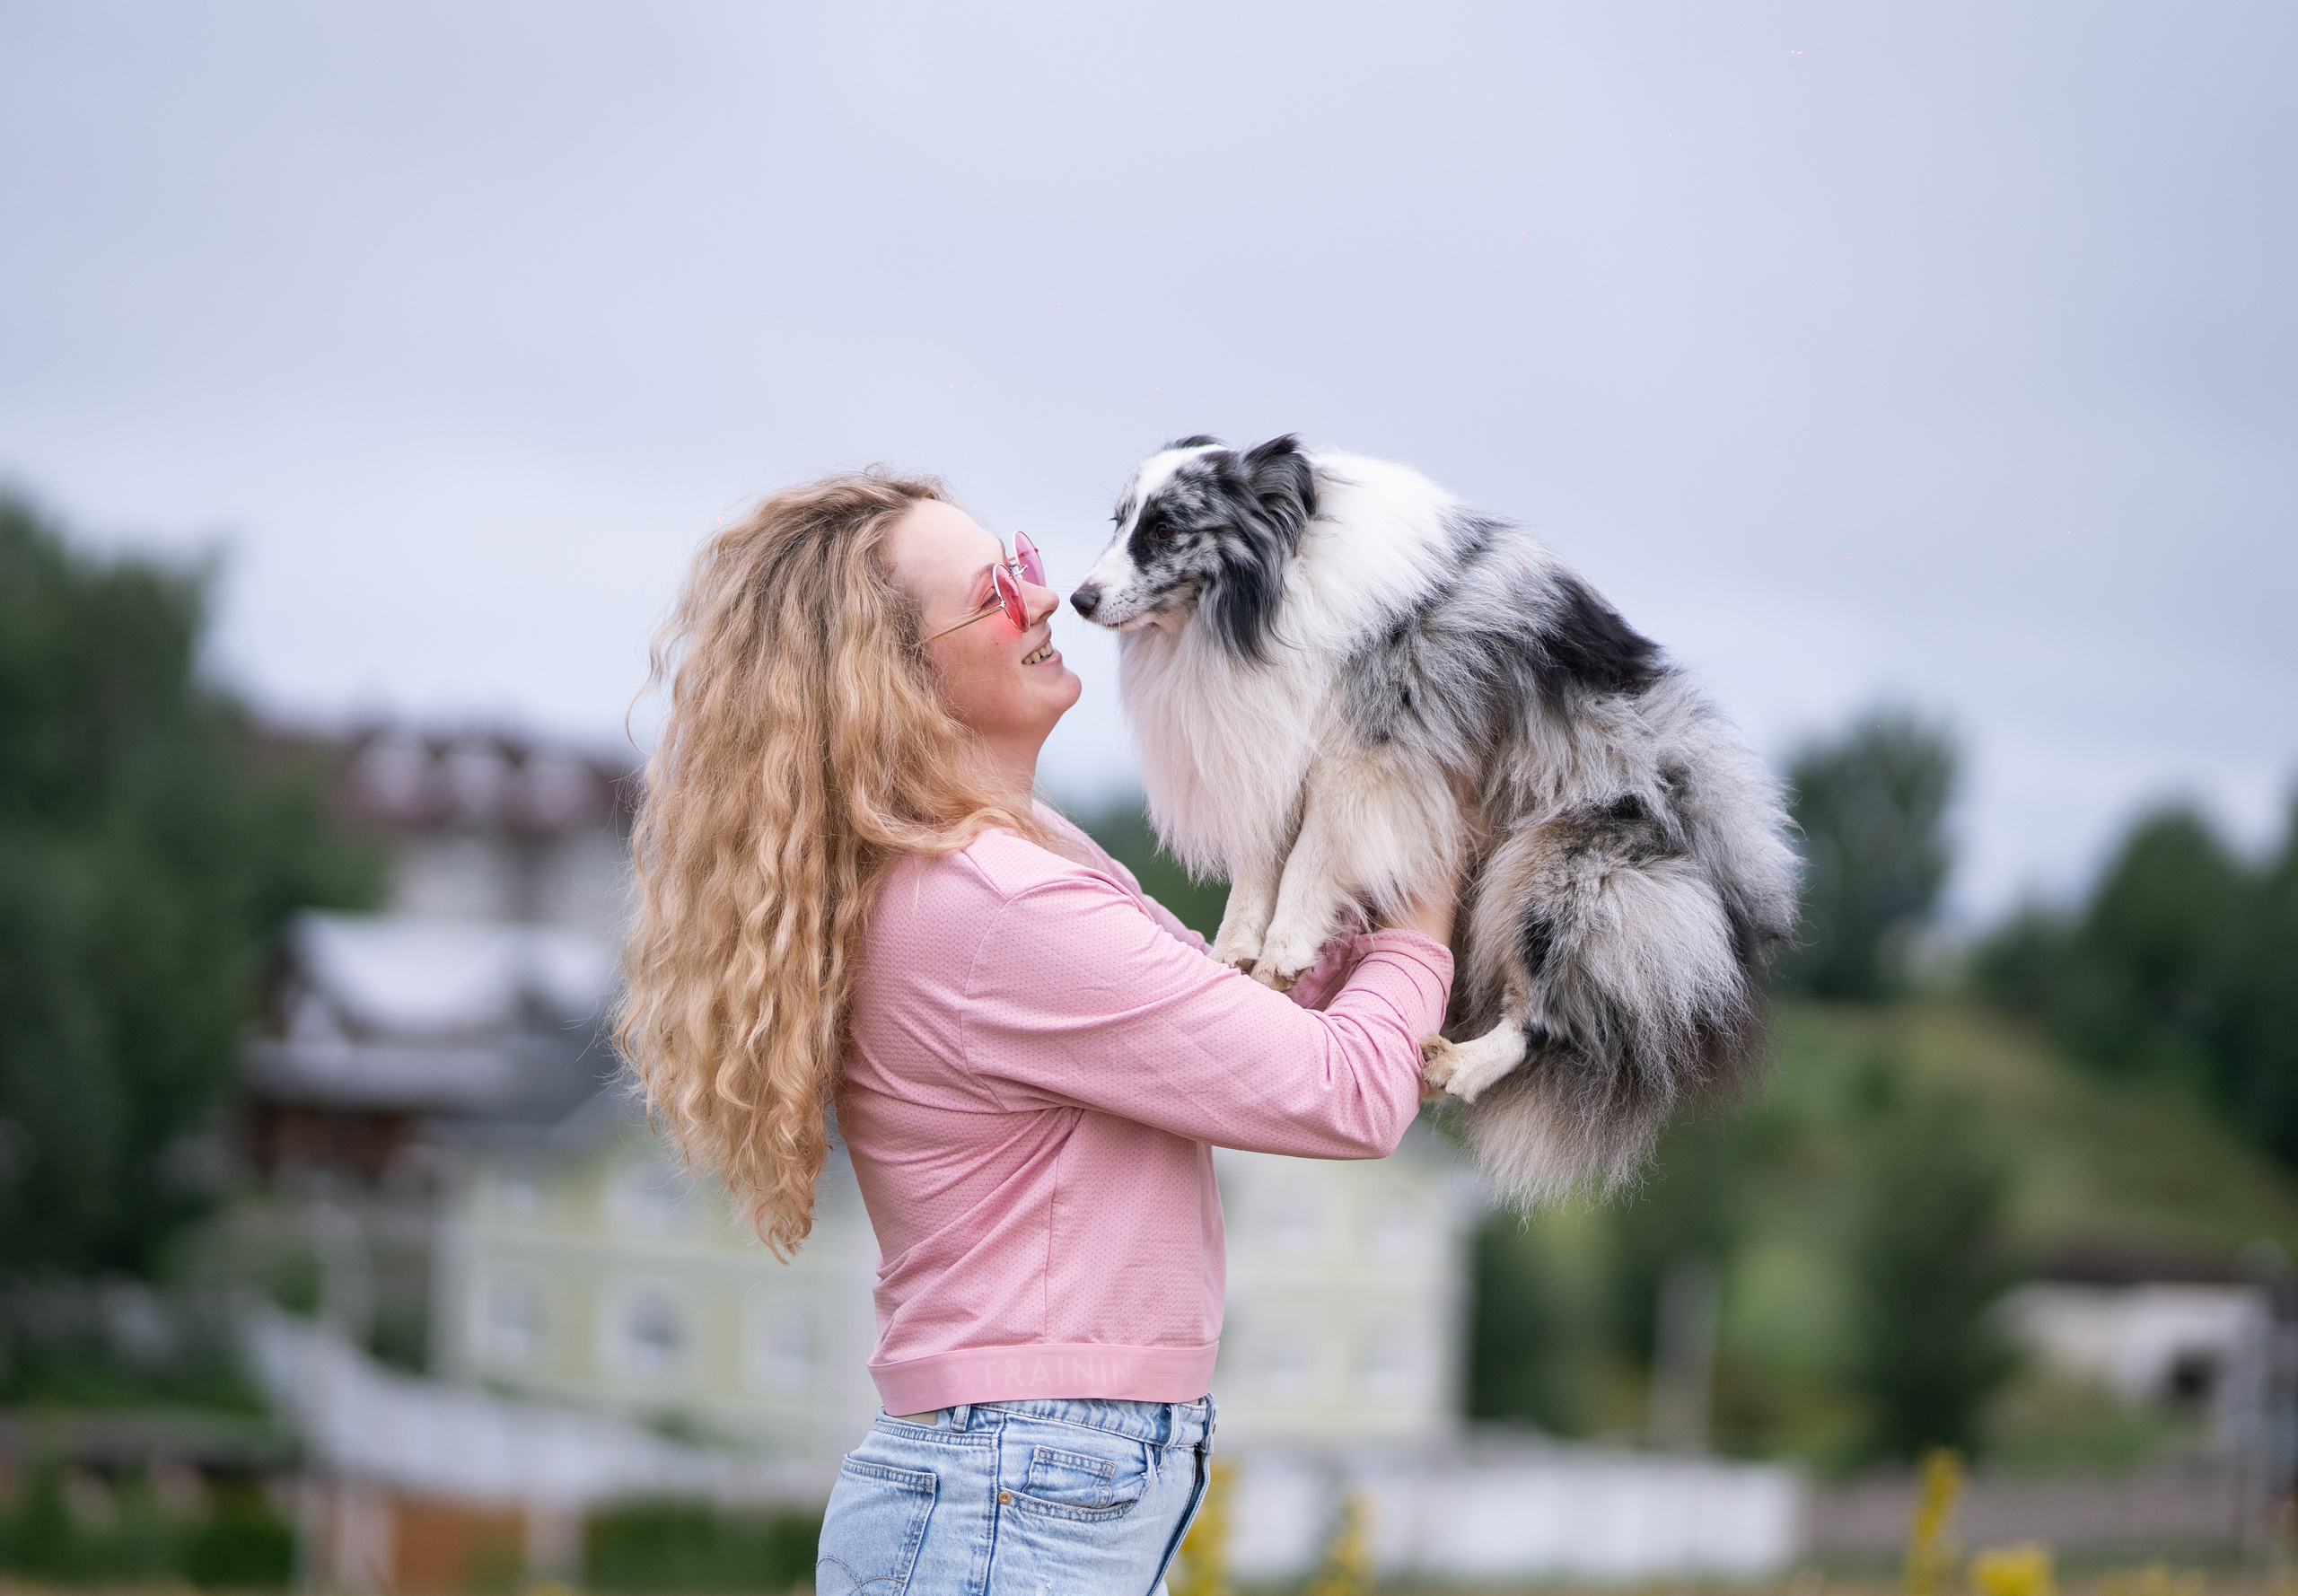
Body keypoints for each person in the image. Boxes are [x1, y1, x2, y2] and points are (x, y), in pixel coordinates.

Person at [617, 472, 1455, 1595]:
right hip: (1019, 1494)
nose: (1046, 593)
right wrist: (1428, 896)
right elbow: (1340, 1091)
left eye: (1019, 556)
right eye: (994, 588)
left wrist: (1356, 863)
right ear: (897, 679)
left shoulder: (1008, 859)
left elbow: (1234, 1036)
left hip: (1021, 1485)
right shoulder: (994, 905)